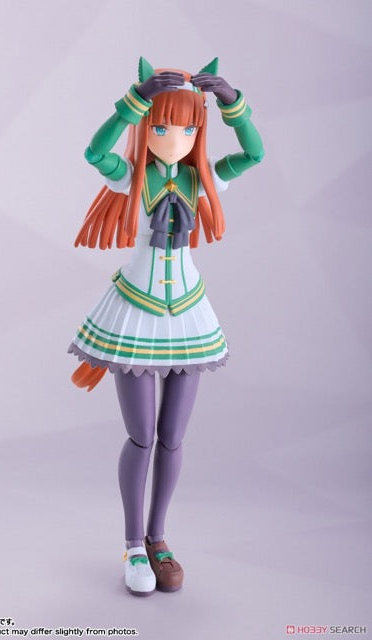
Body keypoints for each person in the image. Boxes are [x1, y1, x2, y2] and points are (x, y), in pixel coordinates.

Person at [68, 57, 264, 596]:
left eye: (187, 129)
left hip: (190, 315)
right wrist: (132, 101)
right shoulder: (132, 177)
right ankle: (133, 543)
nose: (174, 139)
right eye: (161, 127)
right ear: (145, 127)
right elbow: (95, 153)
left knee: (173, 438)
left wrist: (233, 104)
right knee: (142, 436)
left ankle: (159, 538)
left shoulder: (203, 180)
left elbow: (254, 154)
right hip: (136, 311)